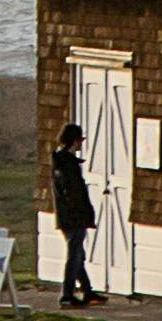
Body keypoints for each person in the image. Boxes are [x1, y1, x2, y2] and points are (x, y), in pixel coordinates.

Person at [49, 115, 96, 307]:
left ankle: (87, 291)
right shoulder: (68, 166)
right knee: (74, 256)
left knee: (78, 255)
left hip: (67, 216)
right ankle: (67, 294)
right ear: (73, 141)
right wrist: (85, 215)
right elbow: (75, 195)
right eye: (79, 141)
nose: (80, 145)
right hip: (74, 217)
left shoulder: (60, 163)